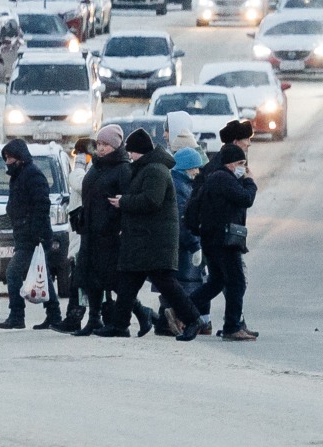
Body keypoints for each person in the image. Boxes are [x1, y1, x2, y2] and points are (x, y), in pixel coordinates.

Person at [108, 128, 206, 341]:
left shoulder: (155, 170)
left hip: (155, 240)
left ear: (139, 152)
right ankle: (118, 325)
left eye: (132, 152)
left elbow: (152, 201)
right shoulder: (147, 168)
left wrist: (123, 201)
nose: (130, 156)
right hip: (145, 239)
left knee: (167, 284)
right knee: (128, 282)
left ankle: (193, 320)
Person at [188, 142, 257, 341]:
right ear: (229, 163)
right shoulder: (222, 178)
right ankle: (232, 326)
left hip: (215, 239)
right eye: (240, 163)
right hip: (223, 241)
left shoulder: (219, 177)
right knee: (236, 282)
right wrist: (250, 182)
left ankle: (182, 309)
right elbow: (246, 199)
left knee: (217, 282)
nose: (243, 167)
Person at [0, 138, 62, 331]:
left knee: (13, 272)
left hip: (33, 236)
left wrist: (38, 234)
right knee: (43, 275)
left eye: (9, 157)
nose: (7, 162)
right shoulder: (19, 175)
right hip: (26, 234)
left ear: (19, 157)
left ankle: (17, 315)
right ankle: (54, 315)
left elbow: (41, 206)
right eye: (6, 158)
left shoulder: (32, 175)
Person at [74, 124, 132, 337]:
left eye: (106, 145)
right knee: (90, 277)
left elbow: (126, 201)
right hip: (90, 230)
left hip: (110, 233)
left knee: (111, 279)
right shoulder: (97, 166)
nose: (101, 148)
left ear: (115, 146)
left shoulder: (123, 168)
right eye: (98, 144)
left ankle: (143, 313)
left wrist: (114, 221)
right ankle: (94, 319)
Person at [172, 144, 207, 297]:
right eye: (194, 168)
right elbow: (182, 220)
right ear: (186, 167)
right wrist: (194, 245)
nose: (197, 172)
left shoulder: (183, 184)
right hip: (183, 250)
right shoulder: (180, 188)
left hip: (181, 247)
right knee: (185, 290)